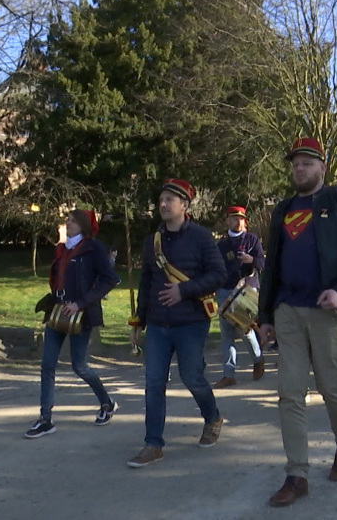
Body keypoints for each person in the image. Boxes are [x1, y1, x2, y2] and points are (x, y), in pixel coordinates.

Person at [257, 137, 337, 507]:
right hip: (287, 309)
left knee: (331, 385)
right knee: (289, 392)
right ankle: (297, 474)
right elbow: (271, 264)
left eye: (307, 163)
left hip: (326, 310)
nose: (300, 169)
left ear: (322, 167)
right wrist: (265, 315)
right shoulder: (283, 209)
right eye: (295, 164)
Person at [127, 178, 227, 468]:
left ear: (185, 205)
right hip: (158, 324)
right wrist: (139, 320)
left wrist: (184, 290)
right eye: (161, 199)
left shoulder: (202, 237)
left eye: (170, 199)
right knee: (153, 383)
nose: (163, 204)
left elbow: (218, 275)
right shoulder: (152, 242)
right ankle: (153, 444)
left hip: (191, 323)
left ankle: (212, 417)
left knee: (192, 377)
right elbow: (146, 283)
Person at [25, 210, 121, 439]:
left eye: (73, 221)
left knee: (79, 365)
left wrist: (81, 303)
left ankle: (107, 403)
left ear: (85, 226)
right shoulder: (63, 249)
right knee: (47, 365)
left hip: (81, 314)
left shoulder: (93, 248)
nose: (68, 223)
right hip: (57, 311)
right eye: (67, 220)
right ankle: (45, 419)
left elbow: (110, 279)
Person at [214, 205, 265, 388]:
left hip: (246, 290)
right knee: (226, 335)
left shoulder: (252, 240)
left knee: (245, 330)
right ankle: (229, 374)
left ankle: (258, 359)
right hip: (224, 291)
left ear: (245, 221)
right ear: (228, 220)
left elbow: (263, 263)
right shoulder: (222, 244)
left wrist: (252, 261)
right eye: (233, 218)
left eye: (240, 218)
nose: (237, 221)